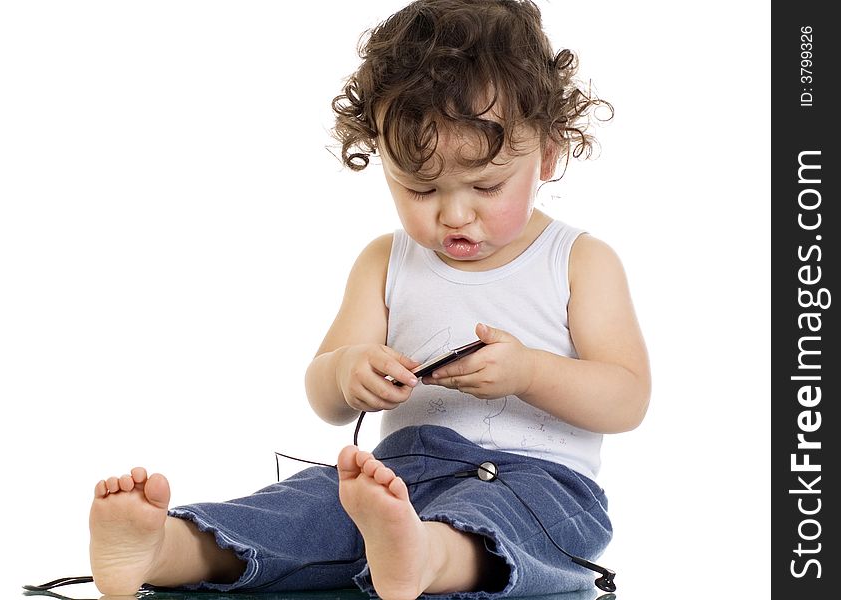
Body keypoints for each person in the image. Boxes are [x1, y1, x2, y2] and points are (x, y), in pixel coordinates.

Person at [87, 1, 650, 598]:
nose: (455, 214)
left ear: (550, 153)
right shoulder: (387, 260)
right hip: (395, 476)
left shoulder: (580, 261)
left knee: (498, 525)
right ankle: (167, 547)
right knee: (302, 511)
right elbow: (323, 392)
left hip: (541, 483)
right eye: (419, 188)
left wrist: (530, 371)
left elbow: (627, 399)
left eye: (486, 185)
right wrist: (350, 371)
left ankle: (426, 554)